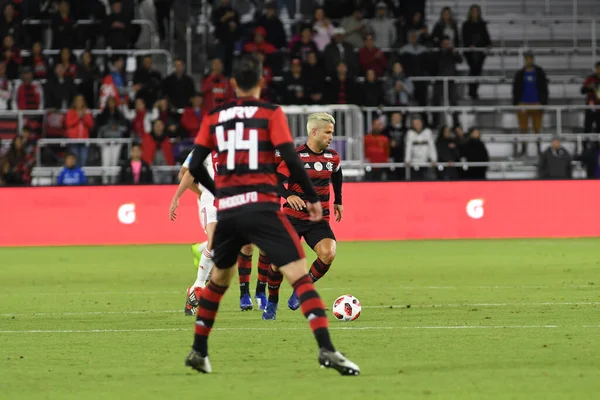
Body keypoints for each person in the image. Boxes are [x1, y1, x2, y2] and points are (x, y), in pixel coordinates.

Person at [178, 54, 359, 376]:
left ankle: (198, 351)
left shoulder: (214, 116)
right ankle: (327, 350)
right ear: (261, 83)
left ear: (233, 83)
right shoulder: (270, 113)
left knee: (219, 281)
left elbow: (194, 167)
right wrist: (313, 197)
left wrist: (219, 193)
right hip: (260, 206)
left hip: (230, 209)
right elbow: (290, 155)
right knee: (299, 274)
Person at [261, 112, 343, 321]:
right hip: (293, 218)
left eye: (332, 133)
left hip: (319, 219)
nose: (331, 137)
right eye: (328, 132)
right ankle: (272, 301)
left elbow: (337, 173)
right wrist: (288, 196)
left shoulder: (332, 157)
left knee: (329, 253)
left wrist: (338, 200)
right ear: (314, 132)